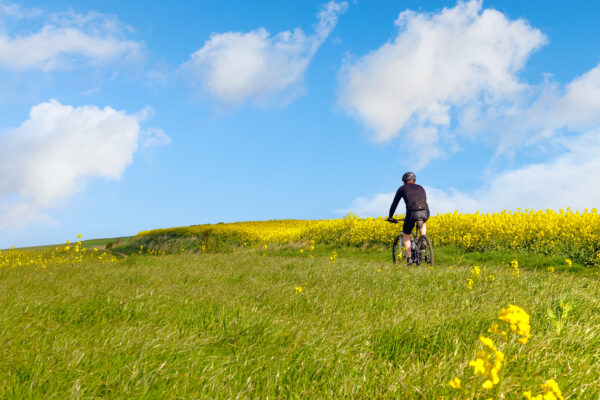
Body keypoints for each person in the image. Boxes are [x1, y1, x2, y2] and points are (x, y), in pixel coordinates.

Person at [386, 171, 430, 265]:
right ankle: (423, 239)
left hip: (412, 212)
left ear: (404, 181)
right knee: (423, 222)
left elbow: (394, 204)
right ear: (414, 180)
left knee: (406, 234)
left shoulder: (402, 189)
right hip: (425, 211)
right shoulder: (421, 187)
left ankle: (409, 258)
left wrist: (390, 217)